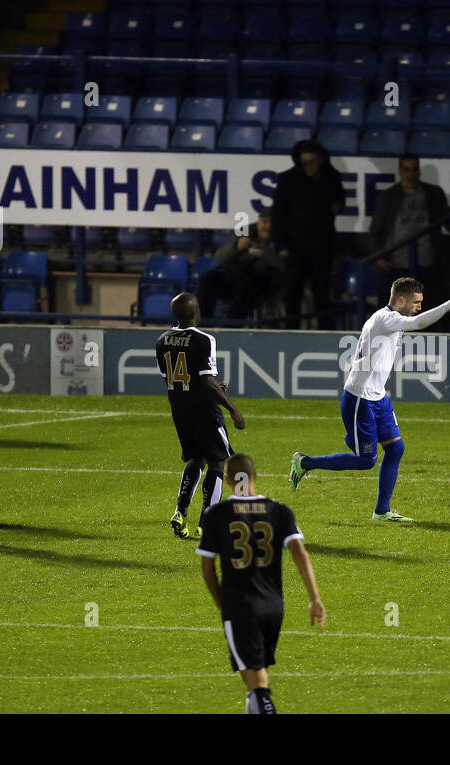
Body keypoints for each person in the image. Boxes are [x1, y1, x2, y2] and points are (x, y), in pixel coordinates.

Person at [289, 277, 450, 521]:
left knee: (396, 448)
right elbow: (418, 322)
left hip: (378, 397)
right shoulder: (385, 319)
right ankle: (305, 463)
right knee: (366, 460)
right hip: (360, 398)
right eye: (416, 302)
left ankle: (382, 511)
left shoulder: (391, 322)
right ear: (400, 300)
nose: (419, 306)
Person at [197, 453, 325, 714]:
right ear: (255, 476)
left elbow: (208, 571)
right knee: (256, 672)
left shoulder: (216, 515)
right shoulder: (278, 511)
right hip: (274, 607)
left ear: (228, 480)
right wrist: (315, 598)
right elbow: (300, 553)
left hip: (240, 607)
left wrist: (223, 605)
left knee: (257, 684)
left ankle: (261, 706)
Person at [158, 292, 246, 539]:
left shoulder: (162, 340)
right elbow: (206, 381)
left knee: (196, 459)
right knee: (218, 463)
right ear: (195, 313)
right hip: (205, 411)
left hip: (180, 410)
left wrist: (215, 388)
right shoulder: (205, 339)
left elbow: (179, 379)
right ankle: (207, 523)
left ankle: (179, 511)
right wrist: (232, 408)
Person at [272, 139, 346, 330]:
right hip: (294, 248)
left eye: (313, 161)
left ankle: (325, 336)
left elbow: (340, 202)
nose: (309, 166)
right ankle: (291, 336)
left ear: (321, 160)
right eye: (305, 162)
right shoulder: (288, 179)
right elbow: (277, 215)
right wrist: (281, 246)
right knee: (292, 296)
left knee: (322, 294)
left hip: (321, 248)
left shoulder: (331, 178)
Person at [368, 152, 450, 306]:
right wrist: (378, 257)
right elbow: (375, 230)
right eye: (406, 170)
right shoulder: (388, 196)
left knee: (427, 314)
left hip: (427, 265)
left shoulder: (433, 194)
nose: (410, 174)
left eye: (414, 170)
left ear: (419, 171)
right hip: (396, 266)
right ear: (400, 172)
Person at [202, 208, 286, 320]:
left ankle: (233, 326)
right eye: (265, 222)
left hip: (265, 283)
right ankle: (203, 324)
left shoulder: (282, 240)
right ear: (258, 223)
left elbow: (284, 265)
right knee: (209, 279)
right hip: (236, 279)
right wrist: (236, 247)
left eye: (271, 222)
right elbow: (220, 258)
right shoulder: (244, 233)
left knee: (247, 284)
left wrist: (262, 254)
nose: (268, 226)